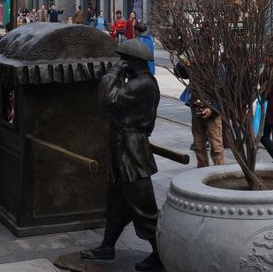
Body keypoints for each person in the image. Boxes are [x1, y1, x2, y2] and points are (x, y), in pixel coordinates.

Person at [81, 39, 162, 271]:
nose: (120, 62)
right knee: (117, 204)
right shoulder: (138, 81)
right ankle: (107, 246)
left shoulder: (142, 84)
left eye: (123, 59)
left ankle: (161, 253)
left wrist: (113, 72)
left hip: (133, 153)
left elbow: (107, 99)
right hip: (123, 149)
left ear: (131, 61)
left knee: (144, 207)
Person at [176, 57, 225, 168]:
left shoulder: (216, 66)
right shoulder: (194, 64)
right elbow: (179, 72)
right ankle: (202, 170)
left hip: (212, 111)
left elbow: (223, 92)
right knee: (198, 144)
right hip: (196, 106)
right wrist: (183, 63)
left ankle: (221, 172)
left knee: (216, 146)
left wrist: (212, 108)